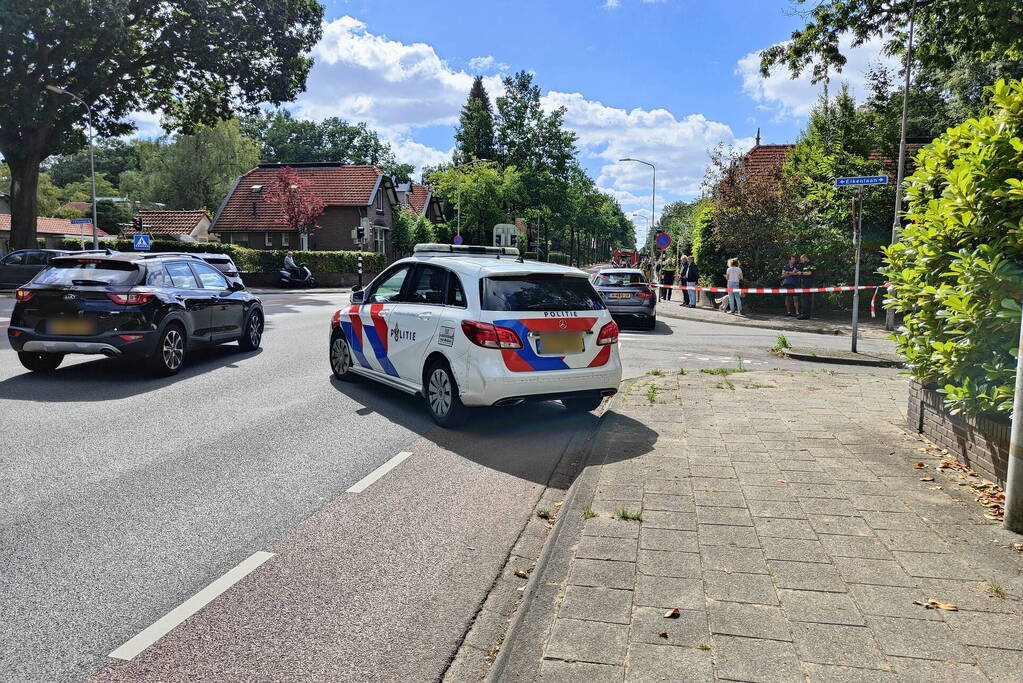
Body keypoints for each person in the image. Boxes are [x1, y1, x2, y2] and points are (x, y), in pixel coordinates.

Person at [796, 253, 815, 319]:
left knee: (806, 299)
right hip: (804, 283)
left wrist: (800, 273)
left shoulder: (811, 264)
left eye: (802, 259)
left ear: (805, 258)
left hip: (808, 284)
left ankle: (805, 315)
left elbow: (809, 273)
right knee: (804, 299)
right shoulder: (805, 265)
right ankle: (805, 314)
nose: (801, 261)